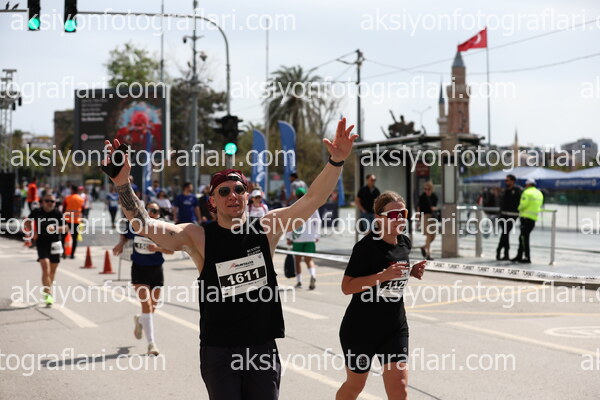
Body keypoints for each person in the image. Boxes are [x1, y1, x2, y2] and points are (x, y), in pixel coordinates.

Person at [102, 117, 358, 400]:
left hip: (261, 348)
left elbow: (312, 200)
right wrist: (122, 183)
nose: (233, 195)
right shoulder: (198, 237)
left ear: (247, 196)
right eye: (224, 191)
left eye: (239, 189)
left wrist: (336, 161)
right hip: (219, 351)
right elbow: (144, 225)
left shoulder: (267, 228)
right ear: (212, 202)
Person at [337, 191, 426, 400]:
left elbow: (395, 271)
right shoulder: (365, 248)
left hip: (394, 328)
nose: (400, 219)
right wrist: (381, 276)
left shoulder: (404, 243)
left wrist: (411, 271)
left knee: (400, 388)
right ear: (379, 219)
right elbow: (347, 287)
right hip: (361, 331)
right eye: (393, 215)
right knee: (355, 386)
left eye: (403, 214)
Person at [113, 201, 173, 356]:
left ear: (159, 215)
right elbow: (125, 235)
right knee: (146, 305)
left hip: (156, 270)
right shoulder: (137, 225)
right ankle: (151, 344)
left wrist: (157, 248)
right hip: (139, 269)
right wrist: (120, 244)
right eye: (149, 210)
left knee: (152, 308)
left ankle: (140, 320)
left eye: (155, 211)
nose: (151, 212)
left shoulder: (162, 229)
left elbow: (171, 251)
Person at [25, 192, 67, 307]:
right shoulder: (37, 212)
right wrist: (32, 232)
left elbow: (66, 228)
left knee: (52, 270)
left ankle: (48, 288)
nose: (49, 203)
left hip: (55, 243)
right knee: (45, 268)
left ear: (55, 203)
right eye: (47, 201)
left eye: (52, 201)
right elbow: (27, 221)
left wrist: (56, 228)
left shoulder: (57, 213)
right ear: (42, 202)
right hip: (42, 242)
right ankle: (48, 294)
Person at [286, 187, 321, 290]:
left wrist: (288, 237)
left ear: (296, 196)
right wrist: (317, 235)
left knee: (297, 261)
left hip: (298, 238)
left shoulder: (293, 207)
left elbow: (289, 222)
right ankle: (313, 275)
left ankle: (299, 282)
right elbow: (318, 221)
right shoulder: (312, 206)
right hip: (310, 237)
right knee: (309, 260)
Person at [512, 178, 544, 264]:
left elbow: (523, 204)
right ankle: (519, 256)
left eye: (526, 185)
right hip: (533, 218)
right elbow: (540, 204)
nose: (525, 186)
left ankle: (527, 257)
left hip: (525, 218)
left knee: (524, 238)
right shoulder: (539, 193)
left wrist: (518, 208)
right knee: (523, 237)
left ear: (528, 184)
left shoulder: (527, 192)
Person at [496, 175, 522, 260]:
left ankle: (499, 250)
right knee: (505, 233)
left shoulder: (517, 190)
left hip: (512, 215)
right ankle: (505, 253)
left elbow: (520, 202)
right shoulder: (505, 190)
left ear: (512, 181)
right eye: (506, 180)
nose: (506, 182)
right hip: (503, 215)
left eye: (508, 180)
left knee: (505, 233)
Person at [61, 185, 84, 259]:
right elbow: (83, 209)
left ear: (72, 190)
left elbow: (63, 209)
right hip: (76, 221)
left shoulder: (67, 198)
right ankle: (72, 254)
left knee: (63, 237)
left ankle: (63, 253)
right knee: (74, 238)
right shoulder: (81, 199)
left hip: (67, 221)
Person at [417, 181, 438, 261]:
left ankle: (423, 247)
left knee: (433, 236)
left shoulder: (434, 196)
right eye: (425, 189)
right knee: (429, 235)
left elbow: (436, 206)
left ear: (431, 189)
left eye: (428, 189)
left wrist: (434, 208)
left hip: (433, 217)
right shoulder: (422, 197)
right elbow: (419, 208)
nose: (426, 190)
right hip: (425, 216)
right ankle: (428, 254)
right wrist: (418, 220)